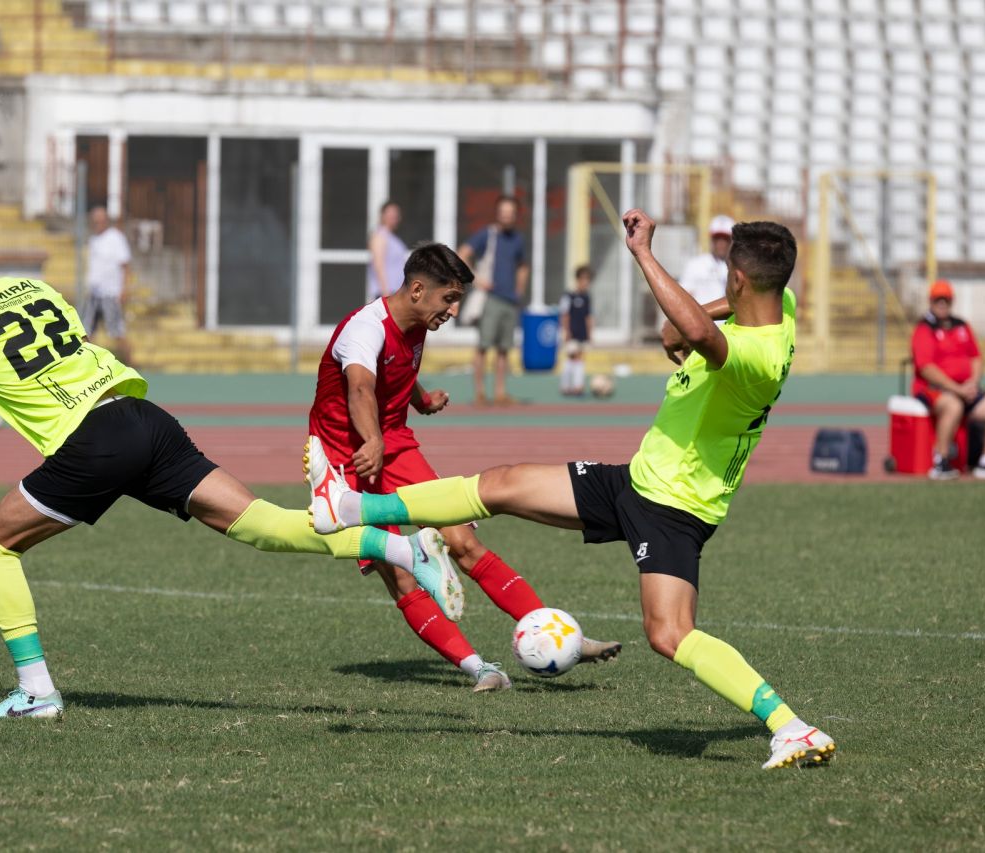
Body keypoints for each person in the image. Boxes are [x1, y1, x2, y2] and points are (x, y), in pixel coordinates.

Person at [0, 214, 462, 719]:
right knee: (262, 522)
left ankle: (36, 692)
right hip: (145, 418)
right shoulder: (32, 286)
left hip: (92, 442)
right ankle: (394, 545)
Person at [308, 209, 839, 770]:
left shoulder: (755, 356)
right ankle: (354, 506)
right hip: (635, 482)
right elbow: (710, 319)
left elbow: (706, 333)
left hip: (674, 508)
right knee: (503, 485)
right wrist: (680, 323)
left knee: (670, 633)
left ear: (737, 278)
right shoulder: (779, 305)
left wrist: (644, 255)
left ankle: (790, 726)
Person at [306, 243, 621, 692]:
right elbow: (360, 386)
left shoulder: (413, 323)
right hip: (344, 459)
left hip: (393, 444)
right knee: (397, 573)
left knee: (462, 540)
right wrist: (371, 439)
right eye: (448, 298)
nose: (454, 310)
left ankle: (558, 633)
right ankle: (480, 668)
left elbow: (397, 369)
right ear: (417, 290)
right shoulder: (363, 329)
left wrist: (421, 398)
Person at [910, 279, 985, 480]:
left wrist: (973, 382)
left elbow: (976, 357)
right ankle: (941, 460)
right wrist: (956, 388)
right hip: (934, 389)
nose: (942, 304)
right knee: (953, 406)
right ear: (931, 301)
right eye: (938, 300)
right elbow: (926, 368)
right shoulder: (924, 329)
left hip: (965, 388)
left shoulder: (961, 326)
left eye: (946, 300)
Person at [459, 195, 529, 406]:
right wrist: (475, 278)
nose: (507, 215)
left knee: (504, 350)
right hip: (490, 299)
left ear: (515, 215)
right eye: (503, 211)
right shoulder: (486, 234)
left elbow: (523, 266)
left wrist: (519, 290)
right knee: (483, 346)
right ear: (498, 213)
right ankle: (480, 393)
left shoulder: (518, 239)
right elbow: (462, 253)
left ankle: (500, 393)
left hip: (510, 300)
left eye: (511, 212)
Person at [82, 206, 133, 365]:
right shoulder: (93, 240)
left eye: (99, 220)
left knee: (117, 332)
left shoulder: (115, 238)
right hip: (94, 294)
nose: (96, 224)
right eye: (94, 221)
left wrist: (124, 290)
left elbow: (125, 266)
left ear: (105, 221)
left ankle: (131, 363)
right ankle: (90, 366)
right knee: (86, 333)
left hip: (110, 294)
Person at [679, 215, 735, 312]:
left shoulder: (738, 267)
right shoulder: (695, 264)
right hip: (701, 323)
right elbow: (684, 296)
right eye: (717, 238)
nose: (721, 243)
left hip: (729, 325)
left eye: (725, 239)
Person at [558, 264, 594, 396]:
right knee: (572, 357)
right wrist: (566, 331)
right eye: (583, 279)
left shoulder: (587, 297)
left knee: (580, 357)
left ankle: (577, 386)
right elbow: (565, 314)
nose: (585, 283)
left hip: (582, 333)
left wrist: (590, 333)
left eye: (588, 280)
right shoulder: (569, 296)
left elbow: (588, 316)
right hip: (571, 332)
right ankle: (567, 385)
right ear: (577, 280)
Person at [367, 200, 409, 301]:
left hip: (397, 291)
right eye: (391, 214)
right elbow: (378, 265)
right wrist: (385, 293)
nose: (394, 217)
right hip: (387, 292)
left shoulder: (391, 237)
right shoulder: (380, 235)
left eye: (396, 214)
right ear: (383, 215)